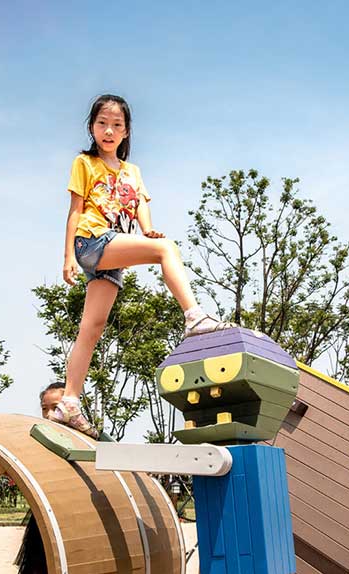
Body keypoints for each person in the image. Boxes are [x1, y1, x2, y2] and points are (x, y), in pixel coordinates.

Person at [52, 93, 233, 439]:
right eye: (102, 123)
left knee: (92, 326)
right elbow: (75, 210)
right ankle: (194, 316)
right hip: (93, 241)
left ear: (126, 131)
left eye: (116, 125)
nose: (108, 130)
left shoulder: (132, 172)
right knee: (166, 249)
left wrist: (148, 230)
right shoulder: (85, 163)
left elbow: (140, 210)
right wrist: (67, 257)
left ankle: (69, 401)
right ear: (92, 127)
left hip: (111, 254)